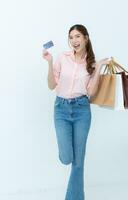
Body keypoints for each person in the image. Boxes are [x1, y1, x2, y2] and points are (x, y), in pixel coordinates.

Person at [42, 24, 111, 200]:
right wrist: (49, 63)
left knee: (78, 163)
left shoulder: (91, 63)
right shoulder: (61, 58)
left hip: (82, 110)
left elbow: (91, 93)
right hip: (61, 110)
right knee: (67, 157)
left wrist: (99, 68)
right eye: (71, 37)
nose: (74, 40)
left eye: (78, 36)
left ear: (86, 38)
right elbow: (51, 85)